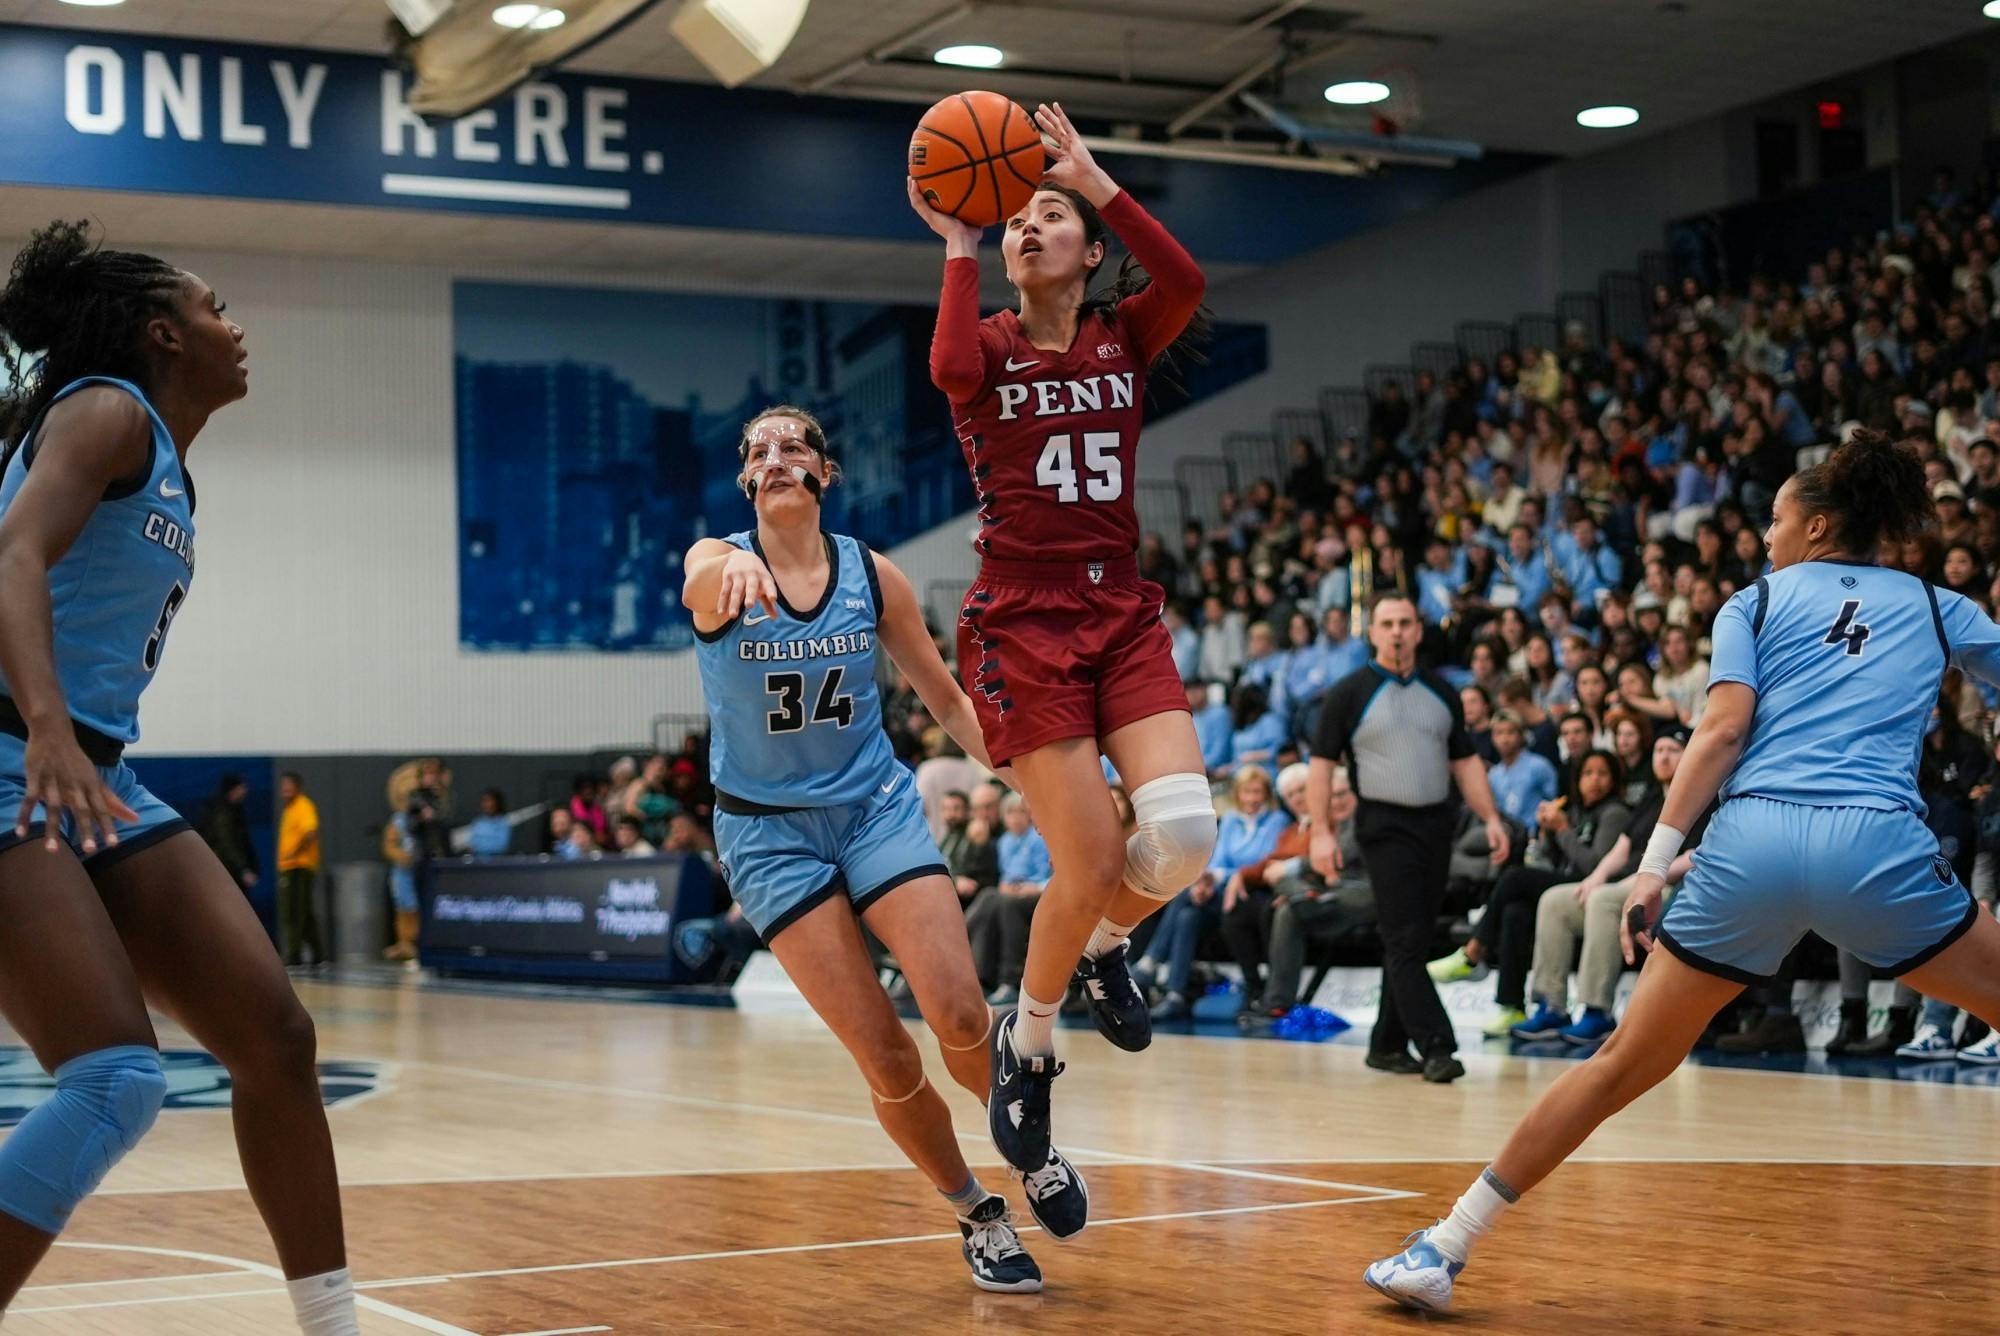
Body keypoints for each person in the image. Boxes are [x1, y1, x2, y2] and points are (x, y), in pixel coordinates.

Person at [1366, 430, 2000, 1311]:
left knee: (1624, 1060)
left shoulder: (1756, 602)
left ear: (1817, 528)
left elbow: (1722, 732)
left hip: (1751, 849)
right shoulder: (1941, 608)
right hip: (1874, 851)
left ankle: (1445, 1245)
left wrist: (1656, 867)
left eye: (1776, 520)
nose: (1765, 535)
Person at [0, 221, 357, 1330]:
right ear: (164, 330)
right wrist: (49, 728)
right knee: (118, 1078)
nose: (232, 326)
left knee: (277, 1040)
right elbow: (10, 555)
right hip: (17, 753)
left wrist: (69, 743)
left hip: (92, 773)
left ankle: (332, 1321)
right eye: (215, 306)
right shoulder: (105, 406)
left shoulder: (161, 454)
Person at [685, 404, 1083, 1292]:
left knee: (961, 1014)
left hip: (872, 807)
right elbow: (699, 572)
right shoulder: (717, 566)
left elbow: (948, 704)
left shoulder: (871, 573)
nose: (777, 458)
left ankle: (1033, 1144)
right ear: (746, 481)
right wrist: (731, 563)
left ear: (826, 473)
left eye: (794, 447)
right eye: (759, 452)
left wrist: (1042, 789)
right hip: (767, 834)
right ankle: (975, 1210)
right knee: (888, 1057)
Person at [910, 100, 1216, 1174]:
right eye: (1015, 221)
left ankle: (1102, 947)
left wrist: (1094, 179)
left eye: (1050, 218)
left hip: (1119, 607)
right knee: (1085, 856)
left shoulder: (1124, 335)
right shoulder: (985, 346)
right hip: (1022, 619)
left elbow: (1181, 282)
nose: (1026, 230)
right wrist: (955, 240)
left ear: (1090, 252)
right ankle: (1027, 1046)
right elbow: (948, 367)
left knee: (1182, 834)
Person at [1309, 594, 1512, 1084]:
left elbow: (1464, 762)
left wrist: (1490, 817)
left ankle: (1387, 1043)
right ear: (1373, 632)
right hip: (1383, 826)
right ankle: (1438, 1045)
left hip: (1436, 825)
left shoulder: (1442, 690)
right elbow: (1321, 766)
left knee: (1412, 939)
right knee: (1403, 938)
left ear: (1419, 630)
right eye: (1387, 624)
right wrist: (1321, 831)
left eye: (1405, 623)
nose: (1397, 631)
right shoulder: (1349, 693)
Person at [276, 771, 325, 967]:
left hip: (299, 866)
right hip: (290, 867)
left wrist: (293, 853)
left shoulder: (303, 806)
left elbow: (310, 832)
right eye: (283, 786)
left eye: (289, 785)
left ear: (298, 787)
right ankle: (317, 953)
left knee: (295, 912)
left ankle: (294, 954)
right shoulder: (289, 809)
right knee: (301, 912)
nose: (285, 789)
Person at [198, 771, 259, 899]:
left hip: (229, 871)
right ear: (233, 790)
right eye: (241, 787)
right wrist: (243, 869)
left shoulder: (234, 809)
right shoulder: (224, 813)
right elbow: (228, 843)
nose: (245, 790)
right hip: (227, 872)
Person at [465, 788, 512, 858]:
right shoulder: (477, 822)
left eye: (489, 801)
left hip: (497, 864)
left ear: (497, 802)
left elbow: (501, 846)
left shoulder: (503, 822)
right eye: (484, 801)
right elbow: (473, 844)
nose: (486, 804)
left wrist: (480, 847)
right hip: (477, 864)